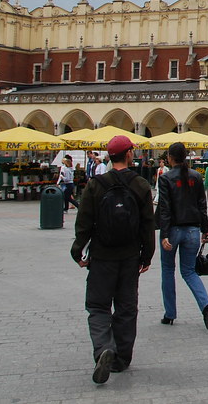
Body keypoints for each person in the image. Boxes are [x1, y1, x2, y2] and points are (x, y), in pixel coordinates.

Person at [70, 135, 155, 385]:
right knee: (126, 308)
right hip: (129, 257)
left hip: (101, 256)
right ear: (128, 154)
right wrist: (146, 255)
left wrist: (78, 252)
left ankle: (103, 348)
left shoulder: (96, 184)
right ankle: (121, 358)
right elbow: (148, 225)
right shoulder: (140, 185)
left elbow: (83, 223)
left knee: (98, 306)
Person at [158, 142, 208, 329]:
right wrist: (205, 230)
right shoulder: (196, 176)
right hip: (192, 229)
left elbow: (165, 208)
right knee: (189, 271)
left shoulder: (166, 178)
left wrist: (164, 234)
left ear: (170, 158)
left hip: (173, 230)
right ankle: (206, 306)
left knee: (168, 270)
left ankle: (170, 313)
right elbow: (202, 205)